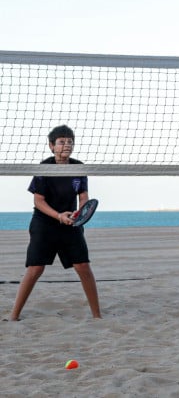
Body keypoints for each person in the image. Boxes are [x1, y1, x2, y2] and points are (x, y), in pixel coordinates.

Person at [10, 125, 101, 321]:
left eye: (70, 142)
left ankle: (97, 315)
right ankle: (14, 315)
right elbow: (38, 201)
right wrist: (59, 215)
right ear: (52, 146)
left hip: (71, 222)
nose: (66, 145)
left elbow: (83, 196)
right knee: (35, 268)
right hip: (44, 222)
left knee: (83, 266)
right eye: (61, 142)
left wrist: (79, 213)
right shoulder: (45, 167)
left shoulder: (79, 167)